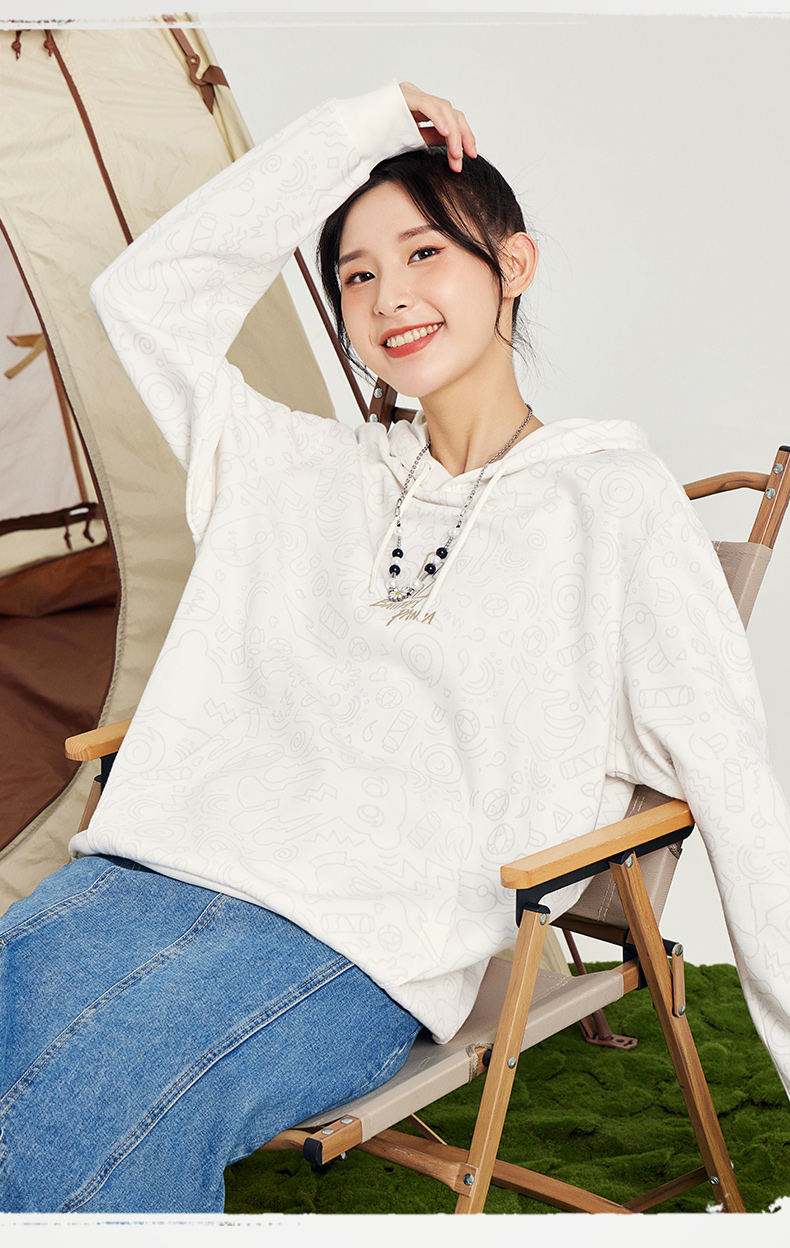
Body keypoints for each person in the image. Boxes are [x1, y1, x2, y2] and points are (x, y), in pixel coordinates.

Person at [1, 80, 788, 1214]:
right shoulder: (291, 469)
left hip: (354, 942)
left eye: (425, 254)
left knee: (68, 1135)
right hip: (145, 876)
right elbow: (143, 295)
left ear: (514, 264)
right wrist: (357, 130)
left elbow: (734, 786)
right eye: (356, 274)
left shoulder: (613, 503)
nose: (390, 296)